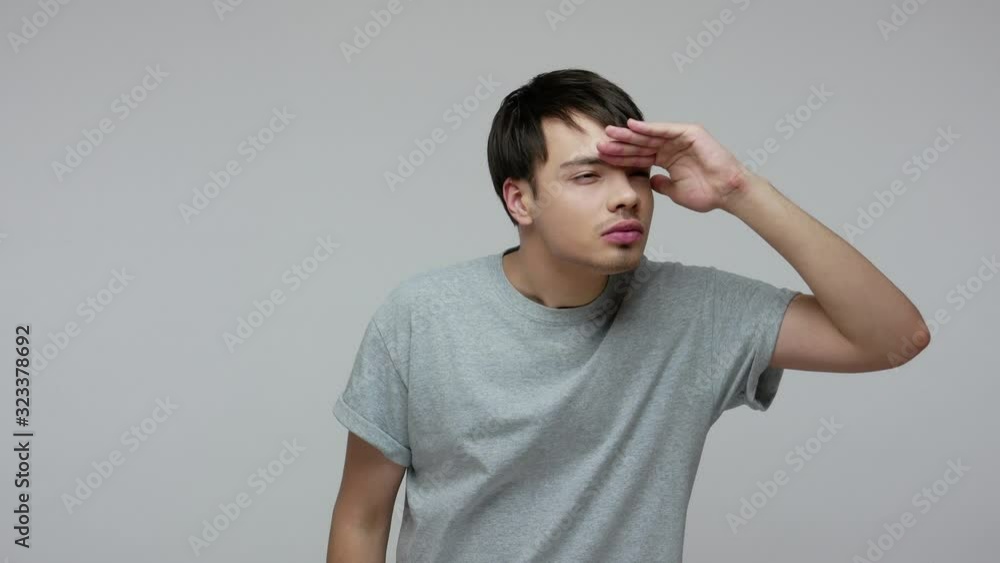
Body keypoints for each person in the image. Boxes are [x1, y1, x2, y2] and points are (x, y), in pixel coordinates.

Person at [325, 68, 931, 562]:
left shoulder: (695, 313)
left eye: (638, 174)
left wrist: (738, 189)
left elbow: (895, 338)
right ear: (519, 199)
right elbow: (361, 518)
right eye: (588, 176)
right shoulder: (422, 316)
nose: (627, 196)